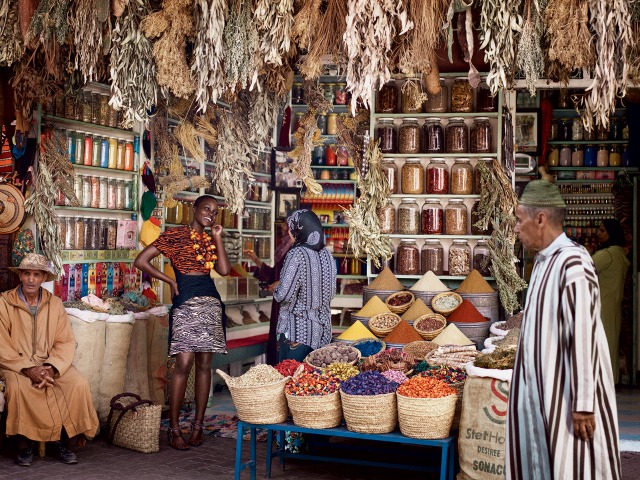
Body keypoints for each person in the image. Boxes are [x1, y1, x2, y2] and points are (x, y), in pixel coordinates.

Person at [506, 180, 620, 479]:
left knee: (574, 466)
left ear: (540, 219)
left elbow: (583, 335)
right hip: (542, 393)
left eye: (519, 220)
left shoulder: (574, 263)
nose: (516, 229)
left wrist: (583, 403)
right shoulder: (544, 262)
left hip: (568, 400)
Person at [134, 195, 230, 451]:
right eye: (206, 208)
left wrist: (218, 236)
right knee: (183, 362)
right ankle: (174, 429)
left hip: (210, 303)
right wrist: (171, 282)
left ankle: (198, 426)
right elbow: (141, 261)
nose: (211, 214)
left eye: (215, 211)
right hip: (185, 302)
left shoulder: (210, 240)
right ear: (195, 209)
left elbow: (223, 270)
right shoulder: (174, 235)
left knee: (205, 364)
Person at [0, 253, 99, 466]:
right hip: (15, 363)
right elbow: (2, 344)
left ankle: (61, 441)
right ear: (20, 276)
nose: (31, 279)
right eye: (26, 274)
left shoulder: (54, 303)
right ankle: (24, 445)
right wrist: (27, 369)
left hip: (50, 362)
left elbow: (65, 341)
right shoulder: (4, 302)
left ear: (44, 277)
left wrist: (51, 367)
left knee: (77, 383)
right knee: (19, 388)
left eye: (36, 274)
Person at [272, 209, 336, 362]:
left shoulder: (297, 254)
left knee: (292, 380)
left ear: (300, 229)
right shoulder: (327, 255)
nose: (289, 231)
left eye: (291, 227)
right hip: (322, 333)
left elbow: (284, 295)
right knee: (312, 382)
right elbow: (331, 292)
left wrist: (275, 288)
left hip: (297, 334)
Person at [243, 221, 293, 365]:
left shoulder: (297, 250)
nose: (283, 228)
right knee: (277, 342)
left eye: (287, 225)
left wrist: (282, 284)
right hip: (279, 303)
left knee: (286, 343)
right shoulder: (284, 248)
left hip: (289, 304)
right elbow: (274, 275)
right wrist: (257, 260)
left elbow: (302, 278)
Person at [593, 219, 630, 384]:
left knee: (601, 343)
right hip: (613, 305)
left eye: (602, 231)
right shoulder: (619, 253)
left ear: (611, 233)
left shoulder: (608, 254)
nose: (598, 234)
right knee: (610, 343)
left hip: (602, 305)